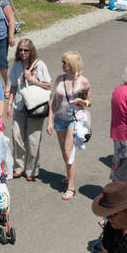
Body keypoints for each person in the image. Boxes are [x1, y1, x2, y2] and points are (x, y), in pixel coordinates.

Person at [7, 38, 51, 180]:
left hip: (35, 107)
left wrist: (33, 80)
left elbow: (48, 86)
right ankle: (18, 167)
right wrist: (9, 104)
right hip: (19, 107)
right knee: (17, 137)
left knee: (33, 141)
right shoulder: (16, 65)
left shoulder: (40, 65)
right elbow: (13, 86)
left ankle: (31, 170)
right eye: (20, 50)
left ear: (31, 51)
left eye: (26, 50)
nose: (23, 52)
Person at [49, 50, 90, 201]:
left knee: (68, 152)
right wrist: (49, 121)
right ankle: (69, 175)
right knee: (64, 152)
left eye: (65, 63)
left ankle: (71, 188)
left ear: (72, 64)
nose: (62, 65)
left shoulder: (82, 81)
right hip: (59, 119)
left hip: (74, 119)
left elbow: (88, 102)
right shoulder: (60, 79)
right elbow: (53, 101)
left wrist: (81, 101)